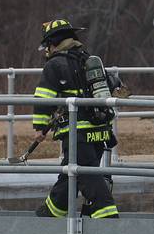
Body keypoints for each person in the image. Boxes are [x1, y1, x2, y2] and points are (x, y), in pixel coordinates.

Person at [32, 18, 119, 219]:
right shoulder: (87, 59)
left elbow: (43, 98)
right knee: (71, 175)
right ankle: (50, 214)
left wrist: (39, 127)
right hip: (100, 131)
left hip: (77, 133)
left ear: (52, 43)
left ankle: (108, 218)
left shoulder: (55, 65)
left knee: (87, 175)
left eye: (46, 46)